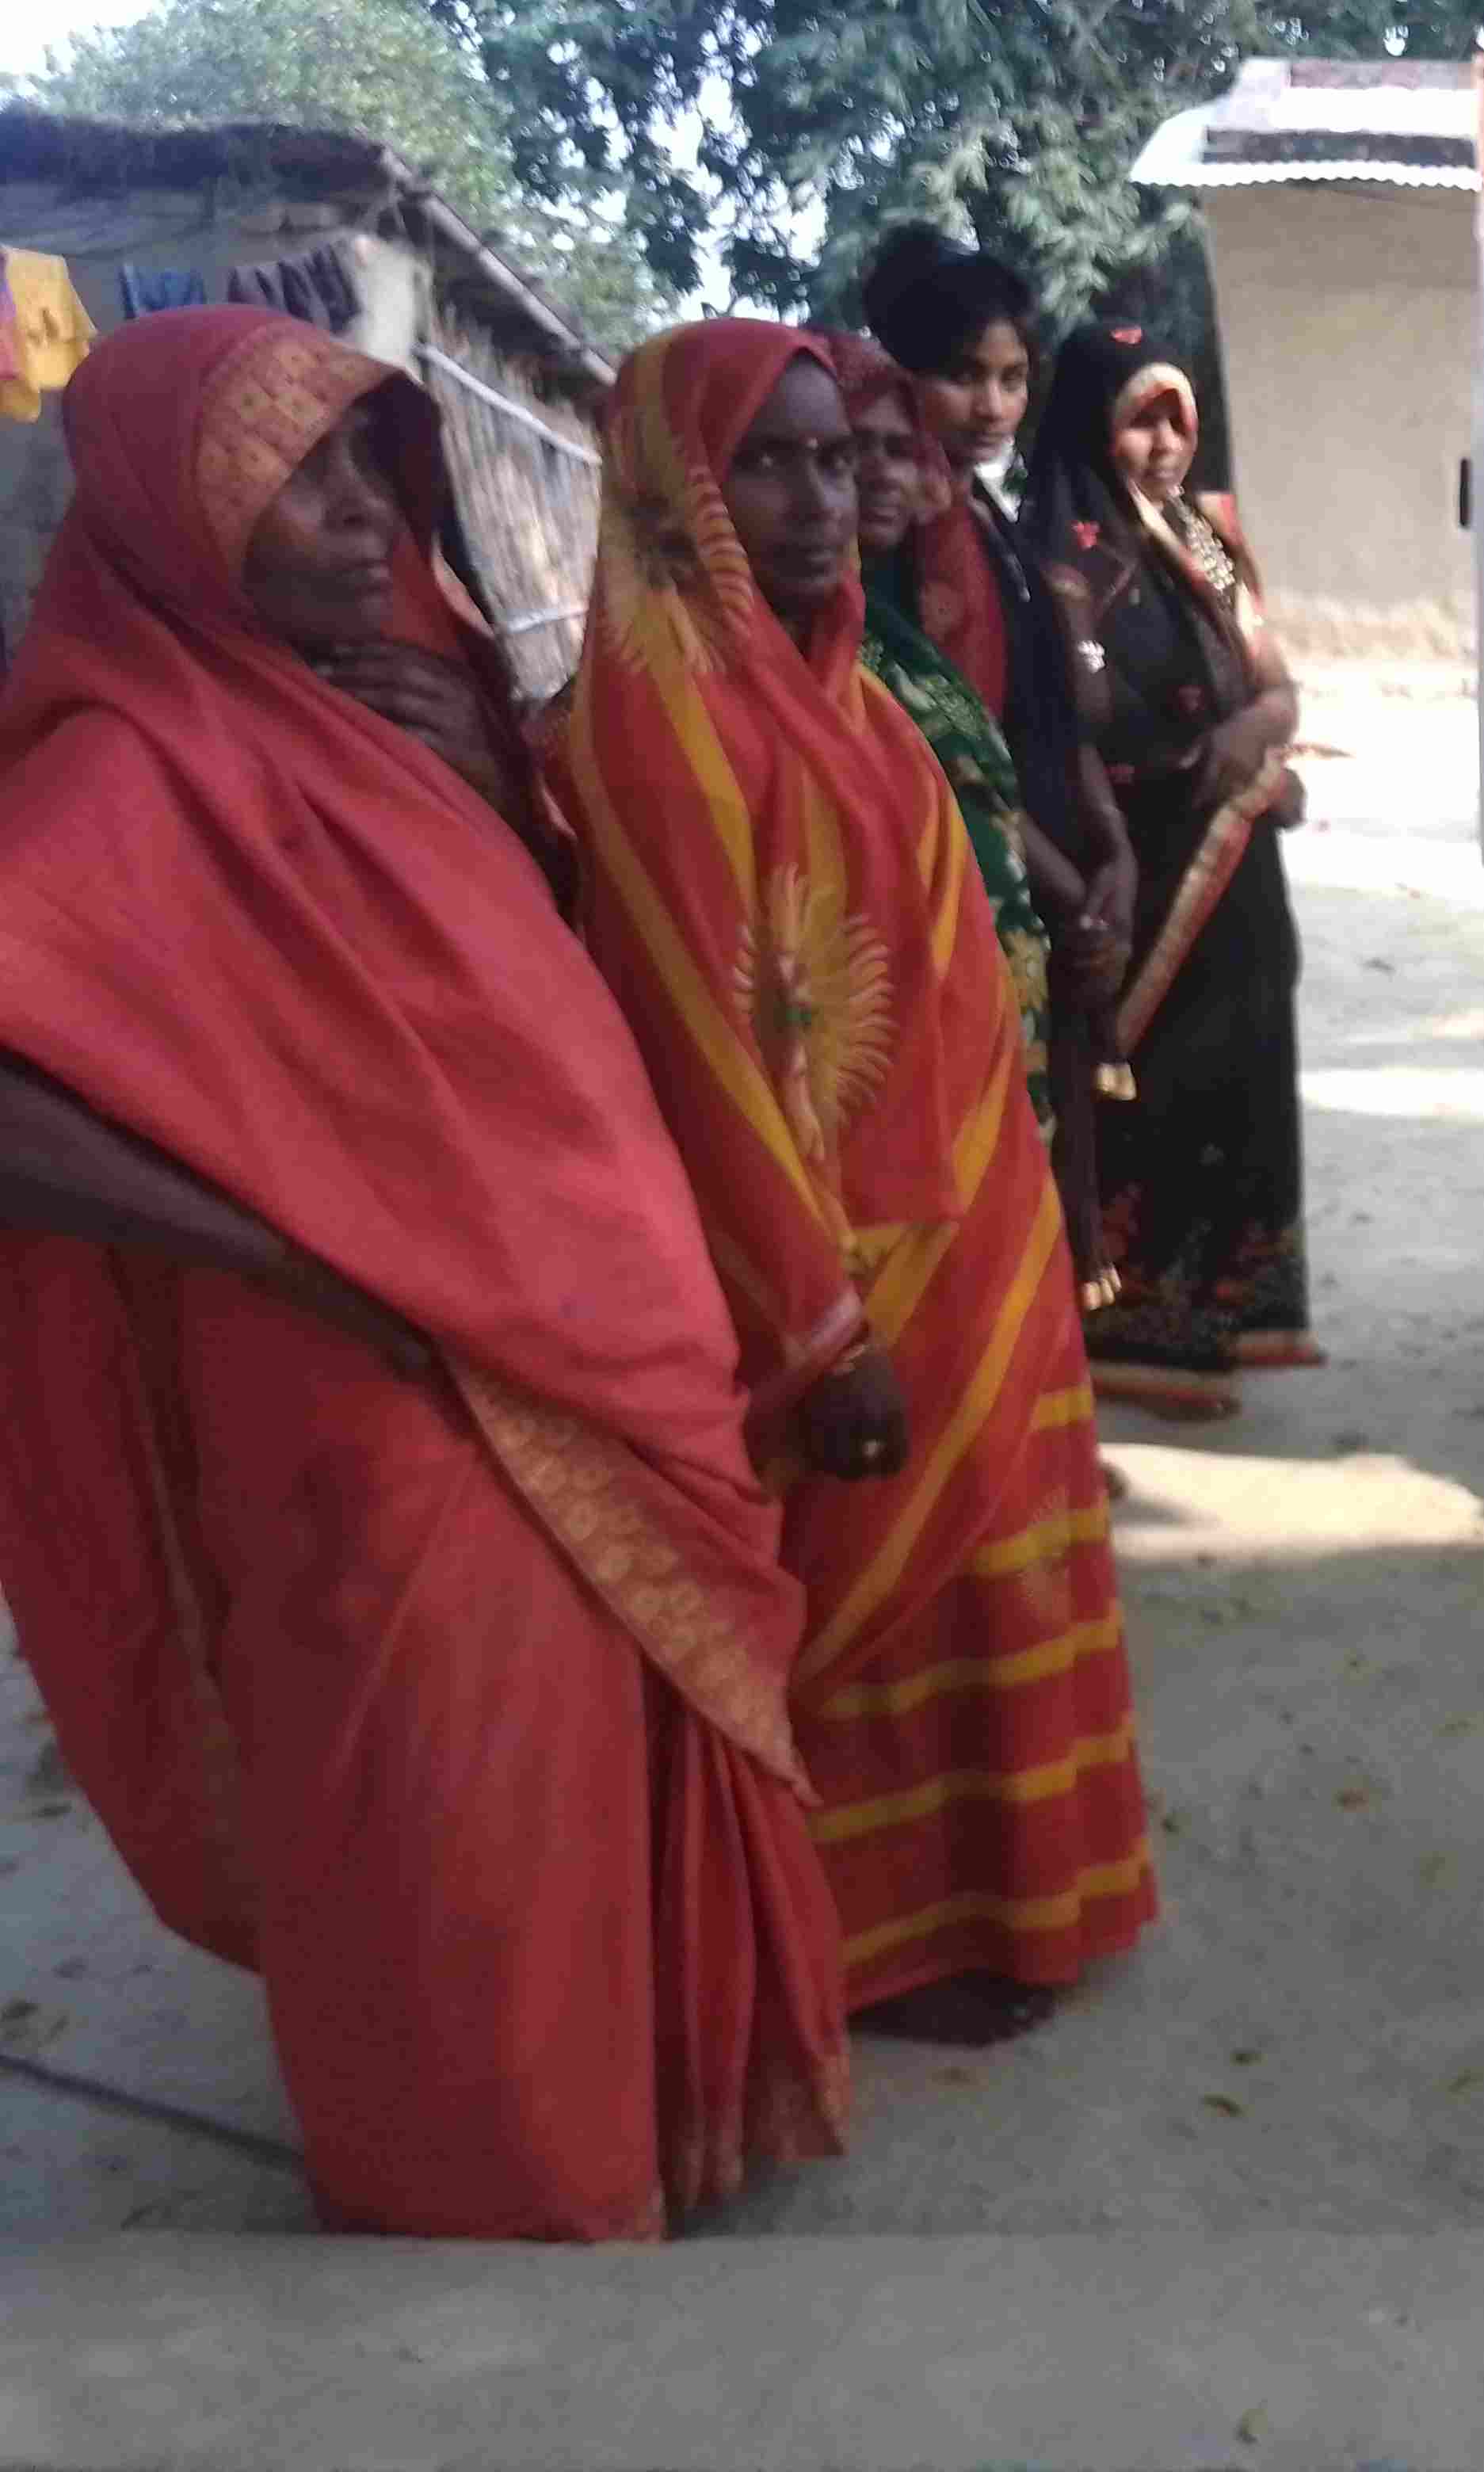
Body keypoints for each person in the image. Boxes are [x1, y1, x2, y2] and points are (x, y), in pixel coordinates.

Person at [0, 306, 849, 2235]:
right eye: (297, 475)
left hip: (566, 1340)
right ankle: (490, 2213)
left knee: (575, 1783)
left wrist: (489, 781)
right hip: (377, 1402)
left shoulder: (378, 711)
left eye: (367, 465)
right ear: (174, 509)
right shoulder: (129, 763)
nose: (363, 511)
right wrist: (291, 1242)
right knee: (448, 1816)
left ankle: (636, 2125)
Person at [547, 320, 1158, 2047]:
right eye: (768, 463)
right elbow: (704, 1063)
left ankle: (1007, 1896)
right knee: (867, 1618)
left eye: (835, 460)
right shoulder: (662, 729)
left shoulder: (851, 694)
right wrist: (820, 1327)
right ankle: (875, 1944)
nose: (821, 502)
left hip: (968, 1223)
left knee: (991, 1581)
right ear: (672, 487)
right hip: (828, 1271)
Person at [1024, 320, 1326, 1417]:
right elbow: (1069, 737)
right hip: (1135, 873)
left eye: (1177, 420)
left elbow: (1276, 684)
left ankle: (1227, 1319)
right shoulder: (1055, 562)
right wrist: (1225, 759)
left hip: (1237, 874)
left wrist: (1251, 741)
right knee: (1156, 1096)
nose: (1164, 445)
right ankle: (1137, 1334)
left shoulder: (1202, 536)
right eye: (1139, 420)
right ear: (1089, 425)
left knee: (1239, 1084)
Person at [860, 225, 1139, 1288]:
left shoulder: (990, 516)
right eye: (962, 376)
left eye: (1013, 379)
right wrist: (1068, 887)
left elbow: (1052, 706)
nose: (990, 406)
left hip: (1058, 861)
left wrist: (1111, 851)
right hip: (985, 867)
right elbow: (936, 734)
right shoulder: (894, 527)